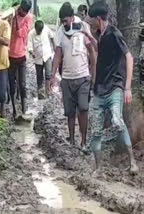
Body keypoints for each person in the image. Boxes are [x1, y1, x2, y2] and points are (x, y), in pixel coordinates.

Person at [87, 1, 138, 174]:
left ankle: (132, 162)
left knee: (117, 120)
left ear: (98, 19)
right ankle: (98, 167)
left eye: (90, 19)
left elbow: (129, 57)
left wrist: (128, 87)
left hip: (115, 87)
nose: (89, 21)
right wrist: (90, 41)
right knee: (95, 130)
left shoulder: (114, 33)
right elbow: (103, 56)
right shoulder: (100, 34)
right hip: (99, 90)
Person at [50, 3, 96, 149]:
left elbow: (91, 50)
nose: (64, 24)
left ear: (72, 17)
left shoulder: (82, 27)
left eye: (66, 20)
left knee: (83, 108)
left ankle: (83, 141)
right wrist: (53, 75)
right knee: (70, 112)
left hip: (83, 76)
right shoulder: (60, 33)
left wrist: (93, 70)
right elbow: (58, 55)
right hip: (67, 78)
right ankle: (71, 139)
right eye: (62, 21)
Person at [9, 0, 34, 118]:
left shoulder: (28, 18)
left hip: (21, 56)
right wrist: (13, 14)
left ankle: (24, 110)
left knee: (22, 84)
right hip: (10, 55)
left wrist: (16, 18)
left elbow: (20, 33)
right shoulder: (13, 14)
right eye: (20, 10)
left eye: (23, 12)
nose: (21, 13)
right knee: (12, 84)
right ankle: (14, 109)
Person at [28, 20, 55, 99]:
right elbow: (29, 46)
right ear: (35, 28)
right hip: (38, 58)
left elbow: (52, 37)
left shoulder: (46, 29)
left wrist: (54, 47)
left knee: (48, 74)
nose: (39, 32)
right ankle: (40, 92)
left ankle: (48, 91)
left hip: (47, 55)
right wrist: (31, 52)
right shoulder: (31, 34)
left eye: (40, 30)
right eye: (38, 30)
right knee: (39, 76)